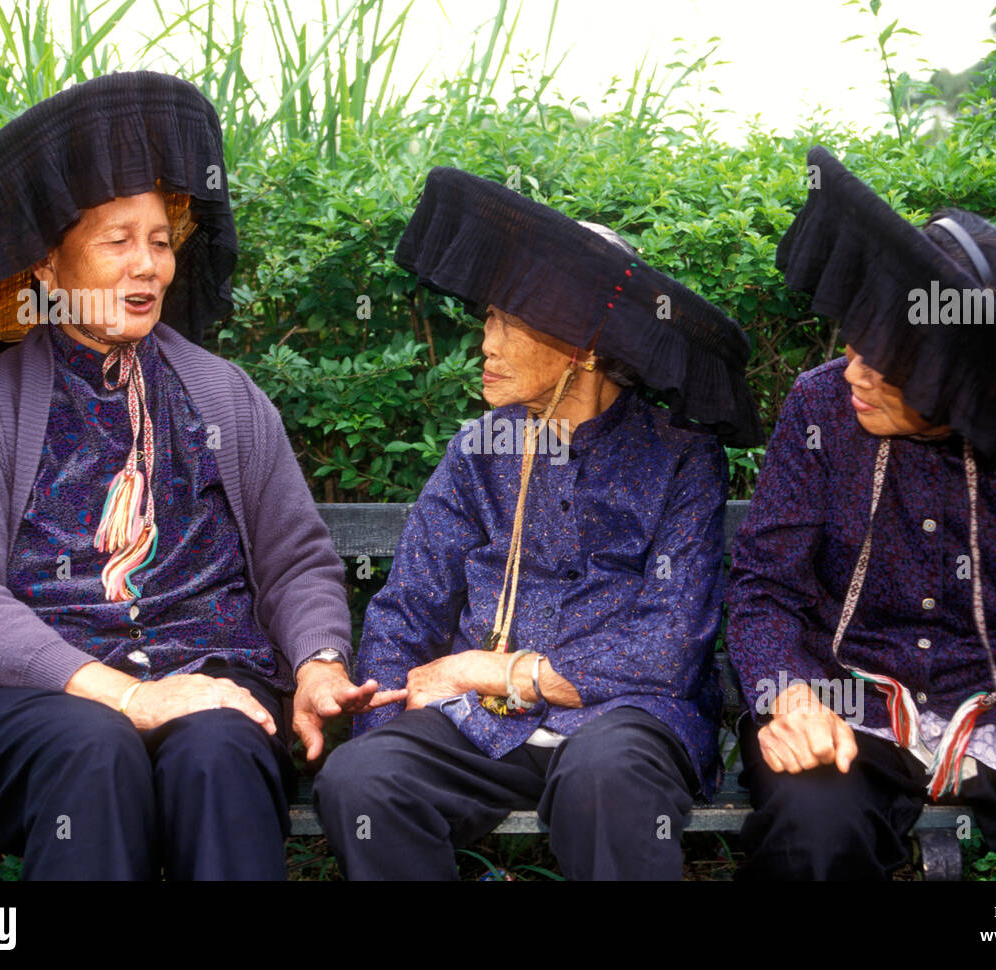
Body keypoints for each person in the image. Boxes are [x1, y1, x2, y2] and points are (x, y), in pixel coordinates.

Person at [0, 71, 402, 880]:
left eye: (160, 242)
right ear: (48, 271)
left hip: (208, 674)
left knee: (221, 750)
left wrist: (315, 662)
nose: (147, 266)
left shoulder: (224, 396)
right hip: (25, 697)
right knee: (94, 752)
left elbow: (295, 560)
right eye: (116, 241)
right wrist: (126, 694)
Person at [726, 145, 996, 880]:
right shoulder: (819, 407)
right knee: (810, 836)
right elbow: (765, 588)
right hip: (853, 713)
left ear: (965, 373)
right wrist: (790, 693)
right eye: (861, 336)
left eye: (892, 360)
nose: (858, 371)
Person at [313, 166, 763, 880]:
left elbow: (669, 645)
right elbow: (408, 605)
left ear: (584, 346)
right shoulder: (478, 450)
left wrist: (492, 668)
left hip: (625, 722)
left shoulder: (682, 456)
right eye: (487, 318)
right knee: (361, 781)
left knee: (604, 782)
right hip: (481, 725)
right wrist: (383, 728)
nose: (484, 344)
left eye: (507, 323)